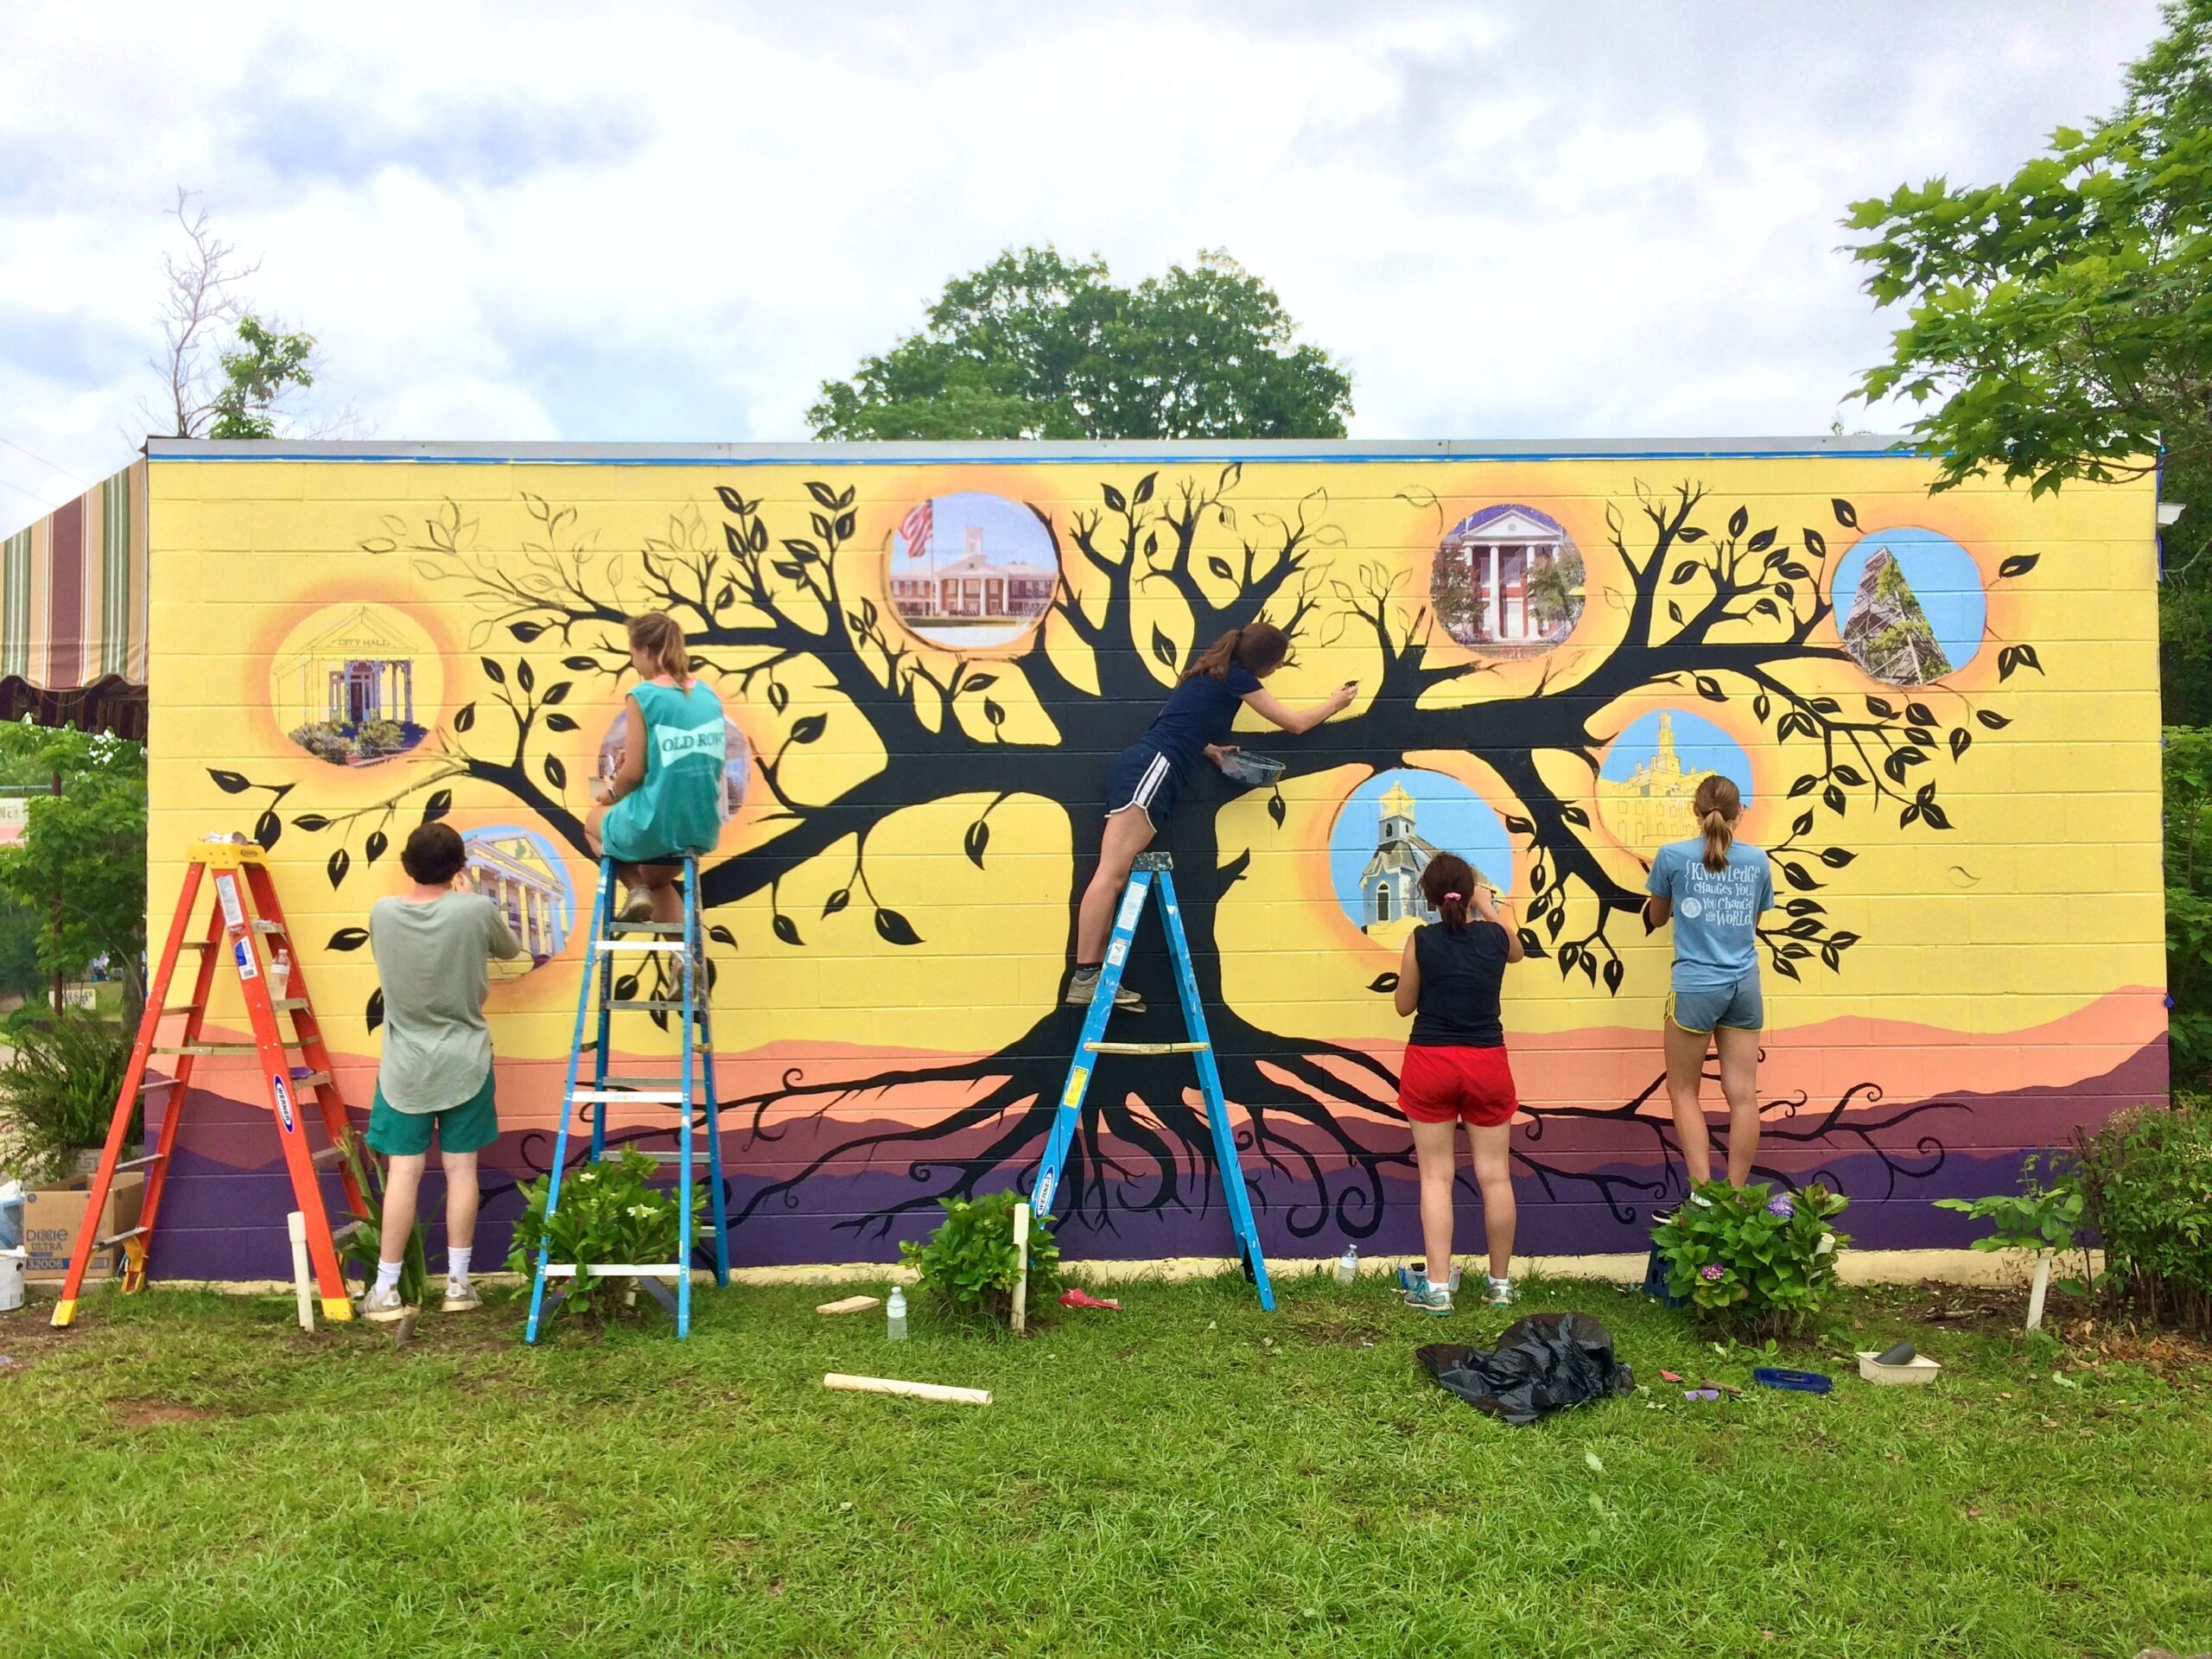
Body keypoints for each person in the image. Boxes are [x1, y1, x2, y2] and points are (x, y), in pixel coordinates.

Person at [1069, 622, 1356, 1009]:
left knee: (1113, 875)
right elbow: (1295, 723)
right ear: (1268, 664)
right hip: (1151, 770)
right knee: (1111, 874)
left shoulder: (1211, 672)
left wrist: (1212, 752)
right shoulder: (1236, 678)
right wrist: (1335, 703)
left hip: (1150, 768)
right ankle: (1086, 974)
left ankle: (1092, 974)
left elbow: (1180, 724)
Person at [362, 822, 524, 1319]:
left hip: (403, 1067)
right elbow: (512, 950)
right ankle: (457, 1285)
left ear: (409, 863)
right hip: (465, 1060)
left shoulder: (382, 914)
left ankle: (386, 1289)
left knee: (403, 1173)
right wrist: (470, 896)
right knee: (461, 1169)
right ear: (459, 867)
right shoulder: (476, 910)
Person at [1391, 852, 1525, 1314]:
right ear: (1470, 893)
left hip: (1430, 1062)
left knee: (1436, 1176)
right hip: (1487, 1062)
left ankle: (1439, 1288)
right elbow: (1518, 949)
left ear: (1428, 898)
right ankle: (1501, 1286)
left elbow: (1403, 1006)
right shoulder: (1493, 938)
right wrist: (1490, 907)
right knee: (1495, 1176)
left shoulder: (1420, 940)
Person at [1644, 773, 1774, 1186]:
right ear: (1740, 814)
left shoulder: (1671, 856)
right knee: (1743, 1096)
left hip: (1696, 986)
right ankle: (1737, 1196)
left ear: (1695, 811)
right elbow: (1750, 924)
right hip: (1744, 985)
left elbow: (1657, 917)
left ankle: (1704, 1195)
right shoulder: (1757, 861)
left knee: (1684, 1091)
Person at [587, 612, 731, 928]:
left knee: (591, 822)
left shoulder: (643, 695)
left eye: (632, 651)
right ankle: (684, 965)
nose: (632, 659)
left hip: (657, 825)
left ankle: (635, 890)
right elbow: (703, 762)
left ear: (645, 650)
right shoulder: (707, 695)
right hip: (699, 827)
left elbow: (634, 773)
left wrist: (610, 793)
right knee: (658, 882)